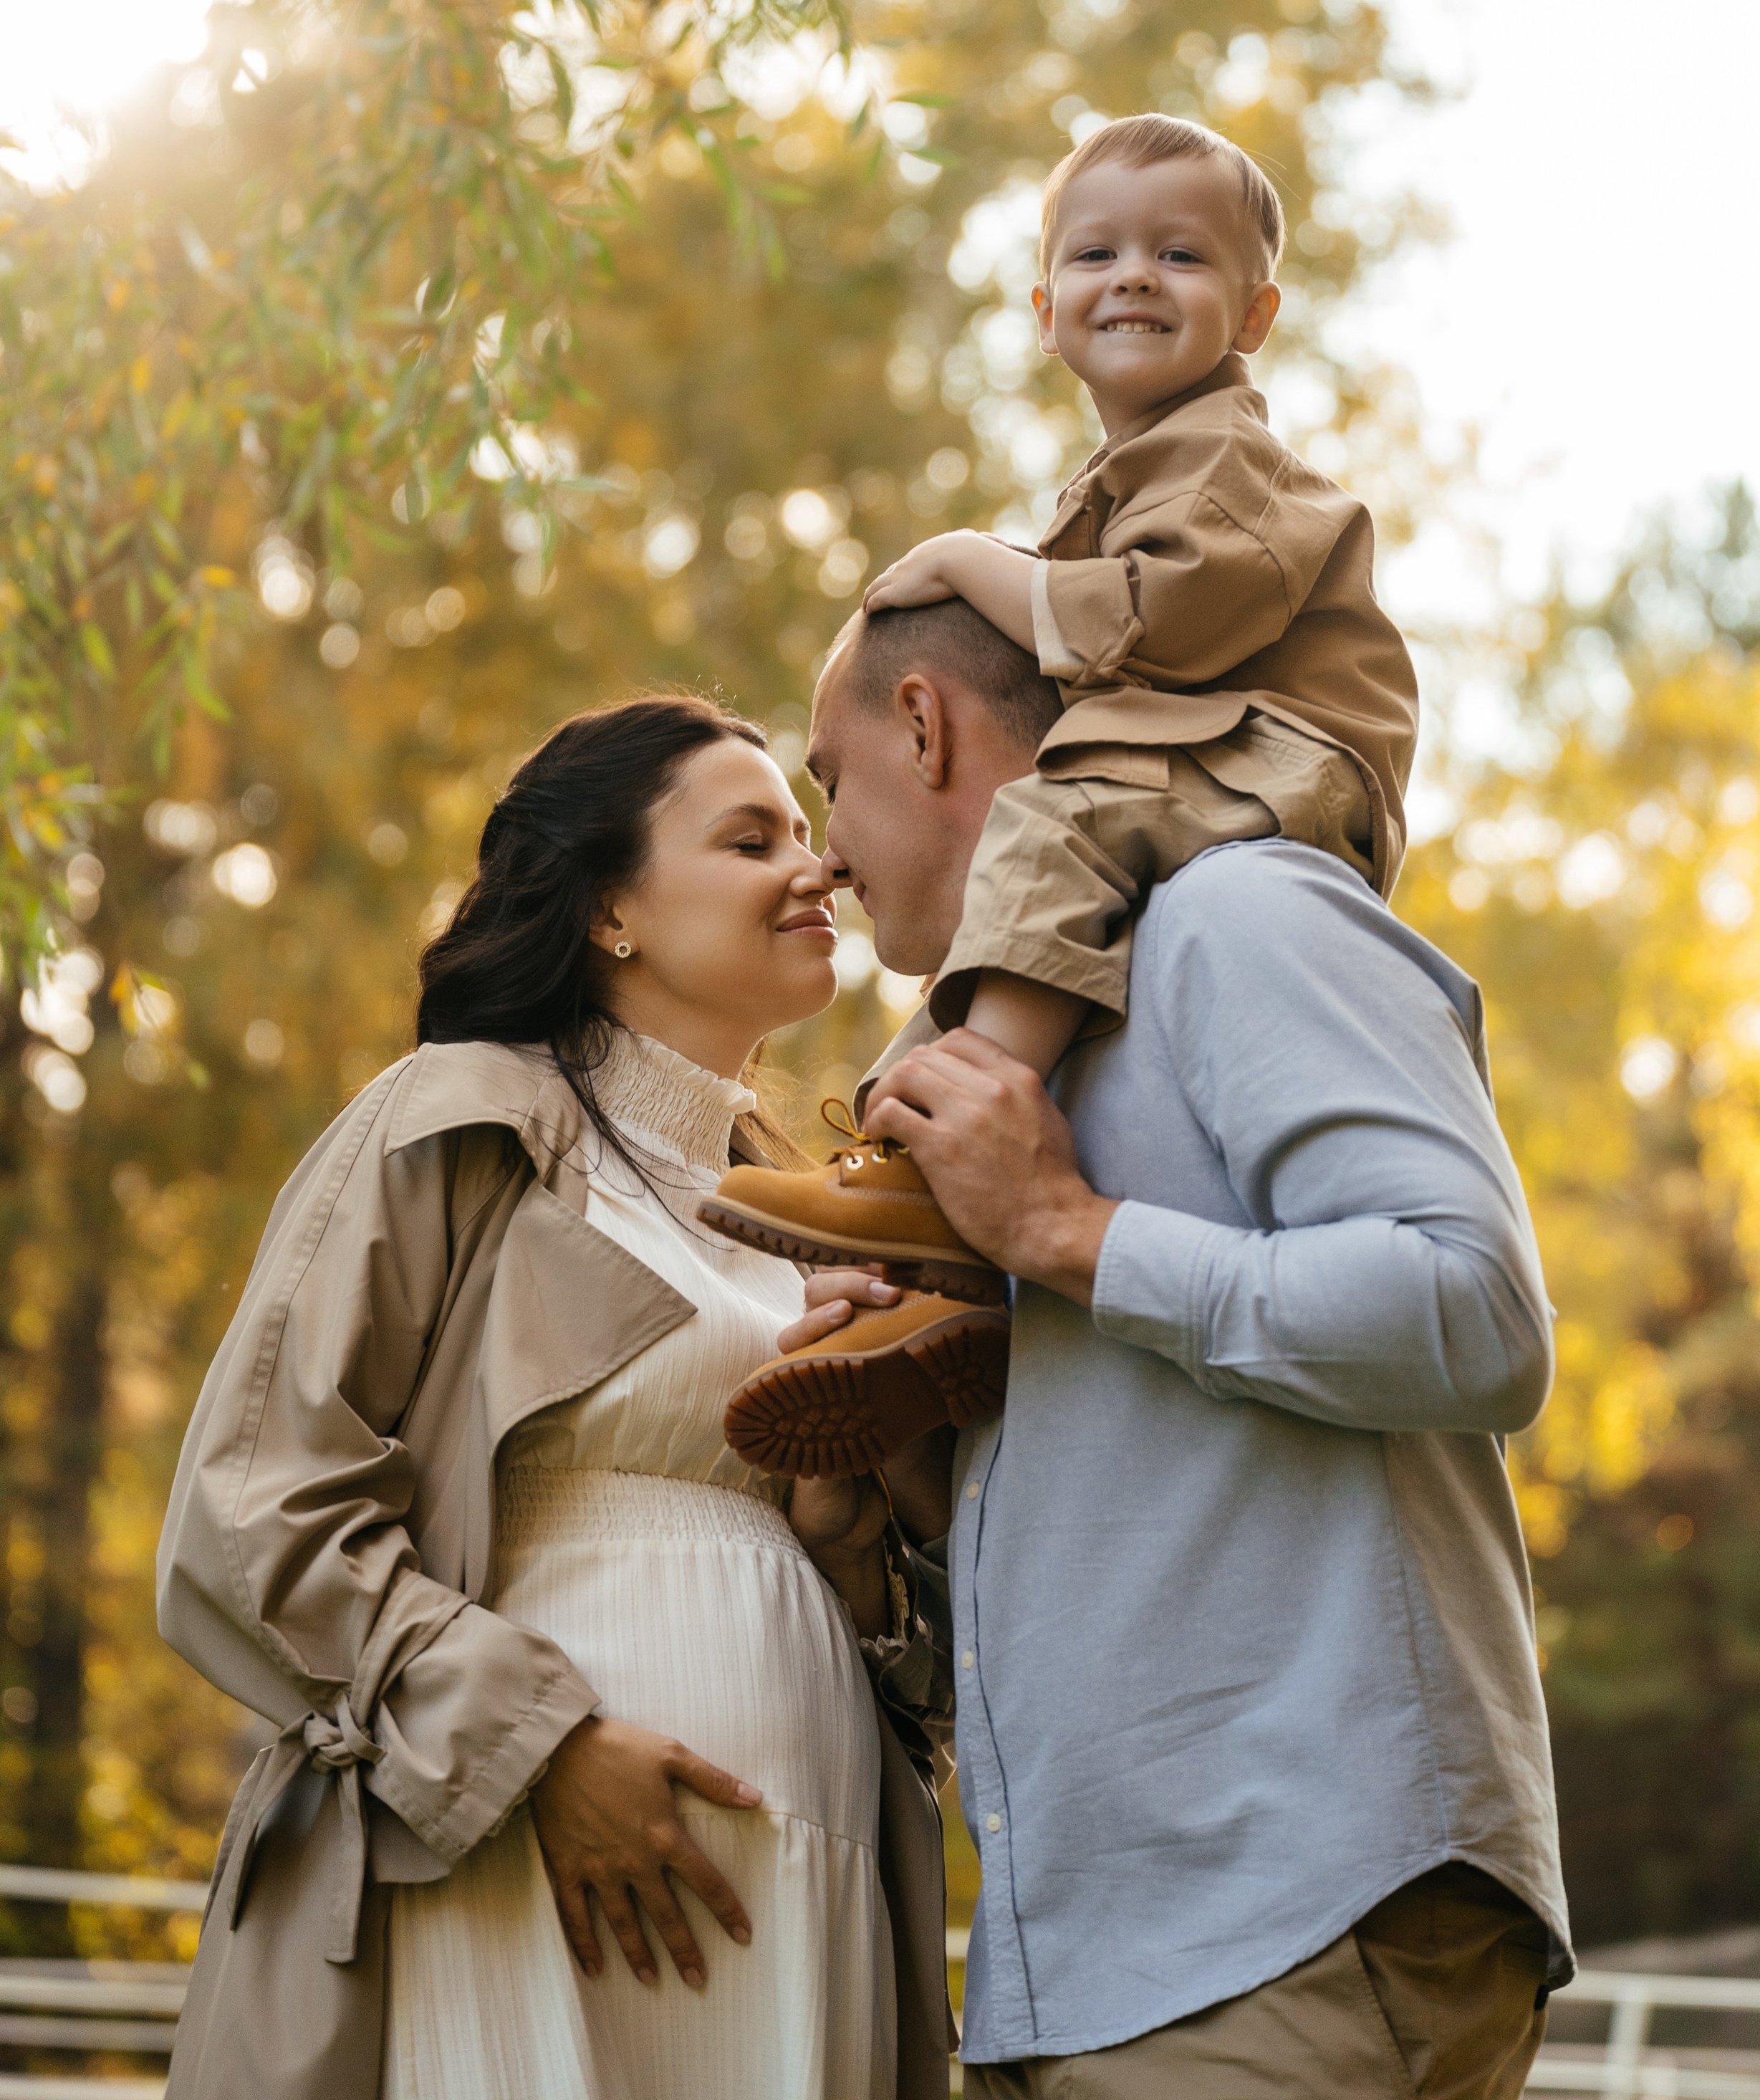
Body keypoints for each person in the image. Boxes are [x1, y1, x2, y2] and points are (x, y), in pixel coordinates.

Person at [764, 600, 1569, 2097]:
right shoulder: (997, 1076)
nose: (819, 852)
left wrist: (1068, 1232)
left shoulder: (1239, 914)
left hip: (1296, 1938)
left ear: (925, 724)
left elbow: (1480, 1315)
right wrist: (899, 1495)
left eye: (827, 778)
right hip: (1067, 1983)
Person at [155, 696, 954, 2100]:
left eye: (807, 832)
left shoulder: (816, 1219)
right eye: (748, 836)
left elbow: (929, 1687)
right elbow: (248, 1508)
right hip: (516, 1860)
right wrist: (542, 1750)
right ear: (610, 913)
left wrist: (841, 1539)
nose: (814, 867)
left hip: (799, 1873)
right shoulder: (456, 1121)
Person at [706, 112, 1418, 1468]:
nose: (1135, 276)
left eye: (1180, 255)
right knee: (1048, 897)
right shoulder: (1128, 472)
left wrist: (975, 564)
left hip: (1295, 747)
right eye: (1097, 252)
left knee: (1064, 817)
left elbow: (1165, 622)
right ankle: (928, 1273)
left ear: (1256, 311)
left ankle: (946, 1172)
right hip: (1226, 739)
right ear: (1046, 311)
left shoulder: (1232, 462)